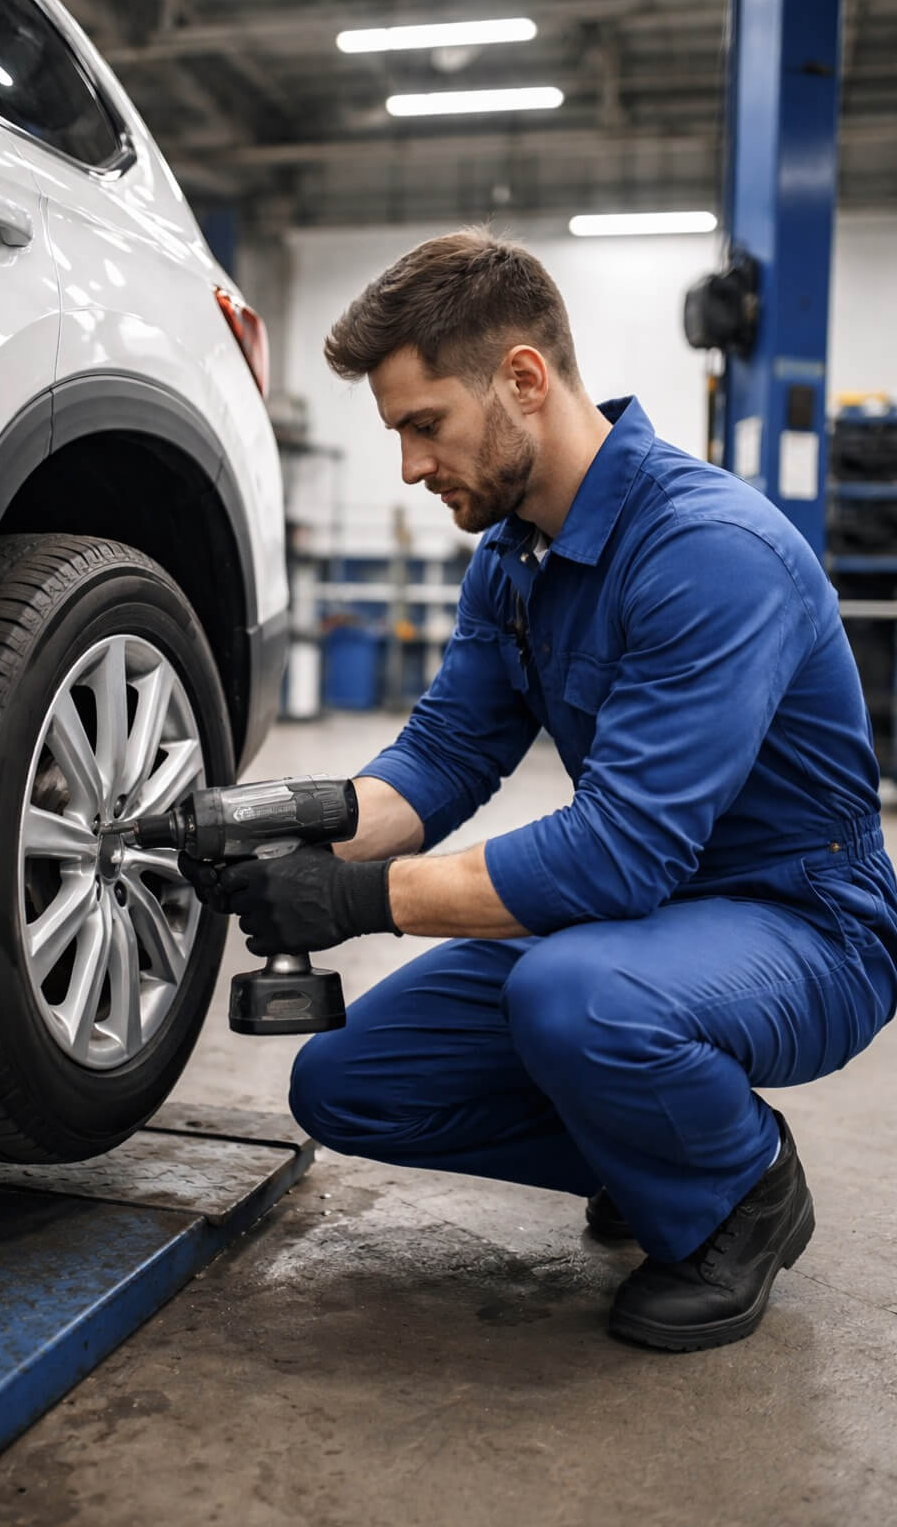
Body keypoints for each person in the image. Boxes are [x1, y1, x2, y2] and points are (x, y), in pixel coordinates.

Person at [181, 227, 897, 1351]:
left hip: (802, 923)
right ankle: (665, 1151)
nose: (411, 468)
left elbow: (619, 855)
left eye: (426, 425)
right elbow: (445, 755)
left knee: (574, 996)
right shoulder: (513, 552)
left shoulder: (707, 552)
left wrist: (360, 904)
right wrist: (306, 825)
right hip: (638, 923)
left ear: (522, 378)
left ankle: (740, 1193)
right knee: (348, 1085)